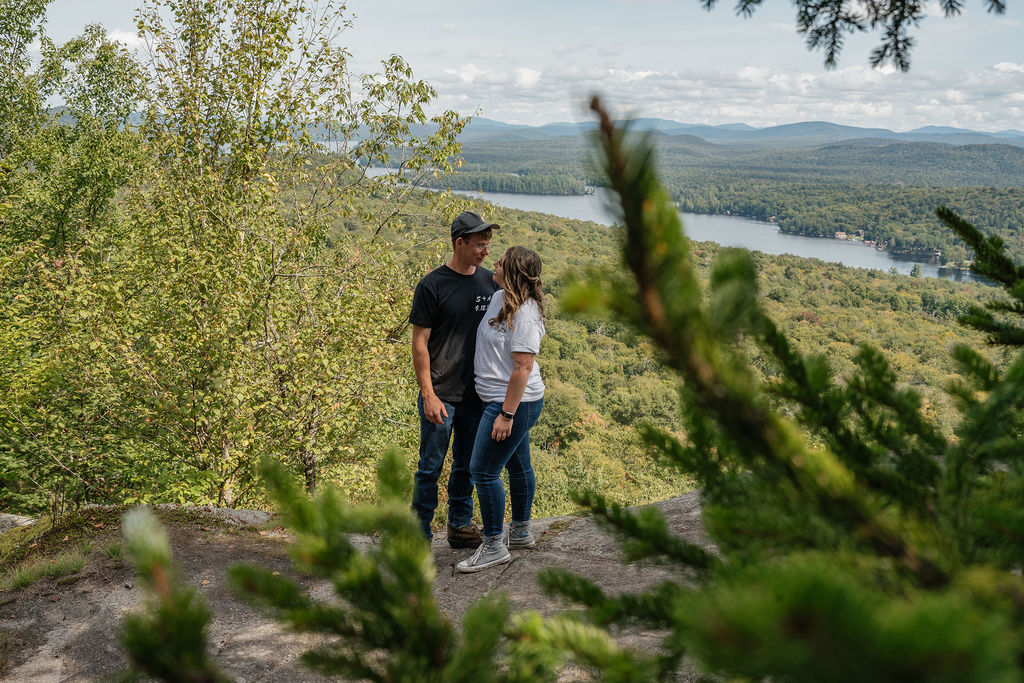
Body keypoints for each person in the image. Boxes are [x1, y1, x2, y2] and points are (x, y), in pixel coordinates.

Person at [409, 211, 500, 548]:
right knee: (430, 466)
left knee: (467, 465)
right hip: (441, 392)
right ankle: (418, 532)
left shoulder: (491, 283)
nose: (485, 250)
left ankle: (460, 526)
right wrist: (429, 395)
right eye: (479, 243)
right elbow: (419, 344)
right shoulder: (432, 285)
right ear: (459, 242)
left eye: (488, 243)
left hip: (478, 394)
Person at [457, 246, 546, 573]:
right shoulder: (501, 297)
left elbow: (522, 368)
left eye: (502, 262)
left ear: (515, 273)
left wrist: (506, 415)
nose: (494, 262)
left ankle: (494, 544)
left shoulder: (525, 314)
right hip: (503, 400)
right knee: (519, 466)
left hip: (513, 403)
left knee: (482, 470)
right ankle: (520, 532)